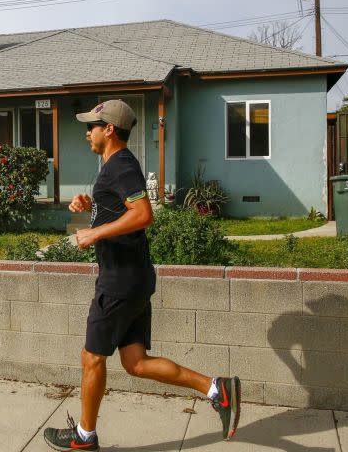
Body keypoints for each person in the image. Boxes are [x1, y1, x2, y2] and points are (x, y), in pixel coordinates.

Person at [43, 99, 240, 451]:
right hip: (131, 277)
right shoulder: (112, 167)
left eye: (92, 125)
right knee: (135, 363)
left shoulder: (120, 166)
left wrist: (93, 234)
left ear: (109, 129)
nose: (86, 132)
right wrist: (93, 209)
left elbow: (143, 214)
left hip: (119, 280)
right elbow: (122, 210)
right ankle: (216, 389)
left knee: (92, 357)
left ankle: (84, 438)